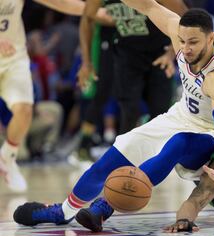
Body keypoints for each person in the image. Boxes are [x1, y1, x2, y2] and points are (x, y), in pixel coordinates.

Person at [14, 6, 214, 226]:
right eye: (182, 41)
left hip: (212, 135)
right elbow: (148, 6)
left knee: (179, 142)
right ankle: (64, 211)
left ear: (211, 37)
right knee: (118, 151)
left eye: (193, 42)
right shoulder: (181, 38)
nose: (185, 49)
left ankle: (105, 205)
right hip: (180, 116)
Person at [0, 0, 109, 192]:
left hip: (13, 59)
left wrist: (92, 11)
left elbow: (59, 2)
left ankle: (8, 157)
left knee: (24, 110)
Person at [74, 0, 187, 162]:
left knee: (160, 110)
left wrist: (171, 52)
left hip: (159, 54)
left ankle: (155, 157)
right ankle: (120, 159)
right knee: (129, 109)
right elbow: (87, 18)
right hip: (127, 53)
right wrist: (86, 62)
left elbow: (185, 16)